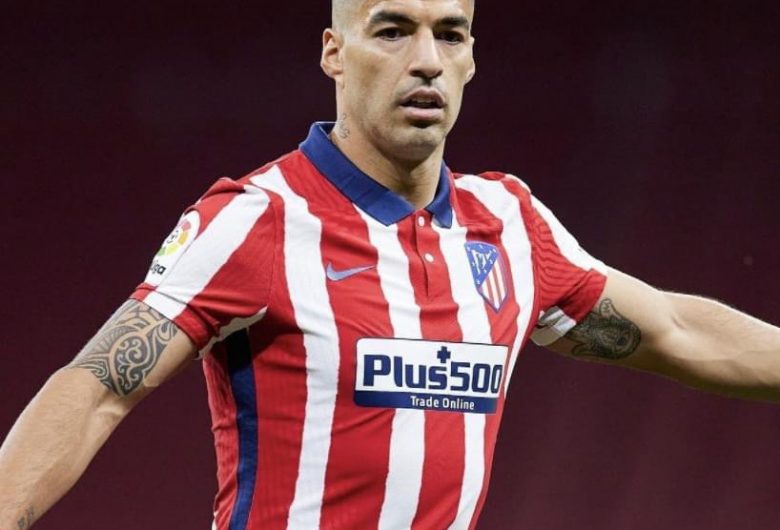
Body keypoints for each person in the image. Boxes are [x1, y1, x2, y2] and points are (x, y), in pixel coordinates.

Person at [1, 0, 778, 528]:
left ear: (472, 60)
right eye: (394, 31)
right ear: (335, 54)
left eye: (451, 34)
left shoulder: (509, 224)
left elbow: (675, 330)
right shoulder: (256, 219)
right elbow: (96, 389)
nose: (427, 61)